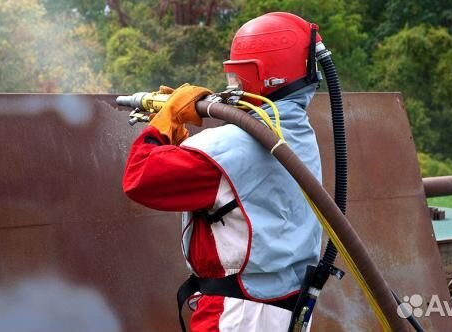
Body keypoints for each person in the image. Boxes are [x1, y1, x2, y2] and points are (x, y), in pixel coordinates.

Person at [123, 12, 323, 332]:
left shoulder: (236, 146)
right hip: (283, 309)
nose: (233, 87)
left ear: (253, 73)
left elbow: (139, 177)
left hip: (238, 315)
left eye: (235, 77)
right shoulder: (295, 135)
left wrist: (165, 122)